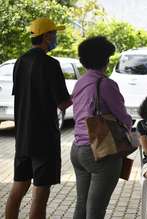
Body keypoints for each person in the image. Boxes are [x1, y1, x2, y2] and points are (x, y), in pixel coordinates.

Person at [5, 18, 72, 219]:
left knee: (18, 188)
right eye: (54, 34)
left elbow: (21, 94)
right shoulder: (51, 64)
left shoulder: (20, 61)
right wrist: (80, 94)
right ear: (47, 36)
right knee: (40, 196)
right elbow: (63, 103)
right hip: (44, 140)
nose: (56, 38)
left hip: (23, 138)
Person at [70, 36, 132, 219]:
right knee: (96, 210)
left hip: (78, 149)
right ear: (106, 59)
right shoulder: (106, 84)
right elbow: (123, 117)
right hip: (100, 151)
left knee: (81, 206)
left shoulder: (80, 82)